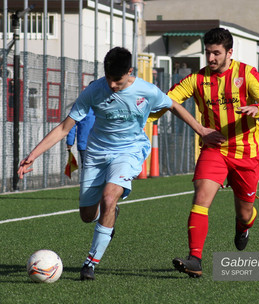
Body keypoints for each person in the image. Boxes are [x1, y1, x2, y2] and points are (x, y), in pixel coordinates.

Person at [17, 47, 220, 281]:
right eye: (108, 78)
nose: (112, 85)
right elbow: (65, 127)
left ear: (129, 72)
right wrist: (33, 154)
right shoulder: (94, 90)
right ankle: (110, 216)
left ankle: (90, 263)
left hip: (129, 152)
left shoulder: (146, 90)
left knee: (109, 197)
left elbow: (173, 105)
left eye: (118, 80)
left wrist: (202, 130)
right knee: (86, 214)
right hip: (96, 154)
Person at [167, 28, 259, 278]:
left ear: (229, 52)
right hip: (214, 148)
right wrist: (199, 128)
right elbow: (169, 100)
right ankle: (195, 259)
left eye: (216, 53)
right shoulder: (196, 79)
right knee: (201, 197)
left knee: (244, 212)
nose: (211, 58)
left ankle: (243, 226)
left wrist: (256, 109)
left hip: (246, 151)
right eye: (208, 53)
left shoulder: (247, 73)